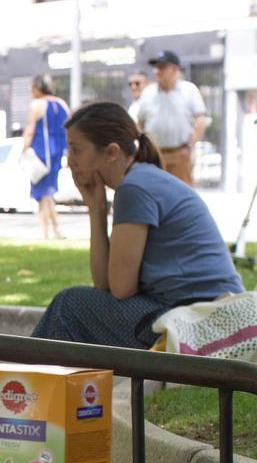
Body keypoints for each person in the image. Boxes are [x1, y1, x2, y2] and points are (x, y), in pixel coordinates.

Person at [31, 101, 242, 349]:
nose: (69, 161)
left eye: (76, 150)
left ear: (111, 152)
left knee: (68, 306)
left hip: (204, 320)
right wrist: (96, 209)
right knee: (75, 306)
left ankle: (21, 383)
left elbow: (120, 289)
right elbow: (104, 286)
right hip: (197, 313)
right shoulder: (140, 179)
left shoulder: (135, 188)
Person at [130, 50, 207, 186]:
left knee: (181, 195)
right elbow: (140, 123)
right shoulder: (148, 93)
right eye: (156, 67)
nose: (156, 71)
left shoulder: (189, 90)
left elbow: (200, 120)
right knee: (155, 193)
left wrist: (190, 145)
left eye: (161, 67)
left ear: (174, 69)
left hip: (180, 154)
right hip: (155, 156)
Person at [18, 75, 70, 239]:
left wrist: (23, 150)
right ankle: (57, 229)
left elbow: (30, 130)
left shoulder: (37, 105)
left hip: (41, 154)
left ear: (36, 88)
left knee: (42, 194)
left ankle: (44, 232)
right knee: (47, 193)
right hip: (56, 155)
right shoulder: (62, 104)